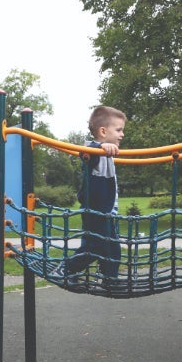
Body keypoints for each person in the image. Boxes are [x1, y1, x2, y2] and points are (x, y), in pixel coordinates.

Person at [51, 106, 126, 283]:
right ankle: (65, 269)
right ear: (103, 131)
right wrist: (101, 146)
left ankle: (109, 279)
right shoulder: (93, 151)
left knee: (112, 248)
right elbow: (85, 152)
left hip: (106, 212)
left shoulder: (107, 153)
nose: (122, 134)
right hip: (95, 211)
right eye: (119, 130)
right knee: (95, 246)